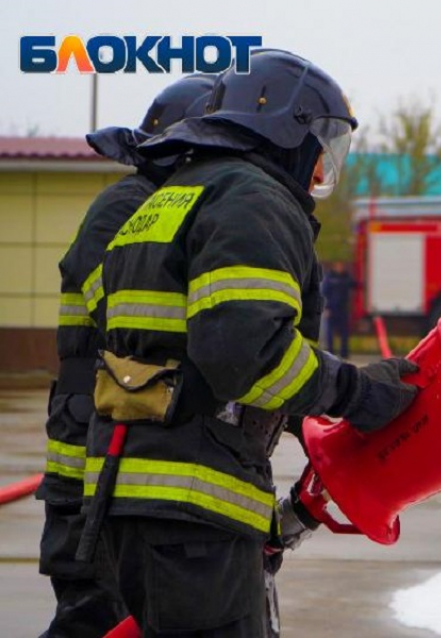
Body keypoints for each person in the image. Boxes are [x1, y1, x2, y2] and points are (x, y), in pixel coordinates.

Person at [84, 48, 419, 636]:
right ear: (288, 129)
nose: (319, 173)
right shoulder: (251, 198)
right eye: (322, 151)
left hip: (134, 494)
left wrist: (306, 416)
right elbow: (246, 354)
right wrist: (358, 393)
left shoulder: (171, 197)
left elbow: (179, 345)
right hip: (194, 506)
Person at [34, 74, 216, 638]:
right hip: (90, 464)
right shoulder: (128, 206)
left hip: (118, 457)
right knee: (93, 618)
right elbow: (125, 317)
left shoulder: (163, 207)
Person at [321, 261, 357, 359]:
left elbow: (355, 285)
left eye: (342, 266)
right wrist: (326, 308)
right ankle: (330, 352)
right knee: (330, 333)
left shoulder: (346, 277)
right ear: (335, 267)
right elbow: (325, 293)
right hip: (332, 309)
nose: (340, 268)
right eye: (339, 266)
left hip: (343, 308)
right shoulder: (330, 278)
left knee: (344, 332)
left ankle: (344, 353)